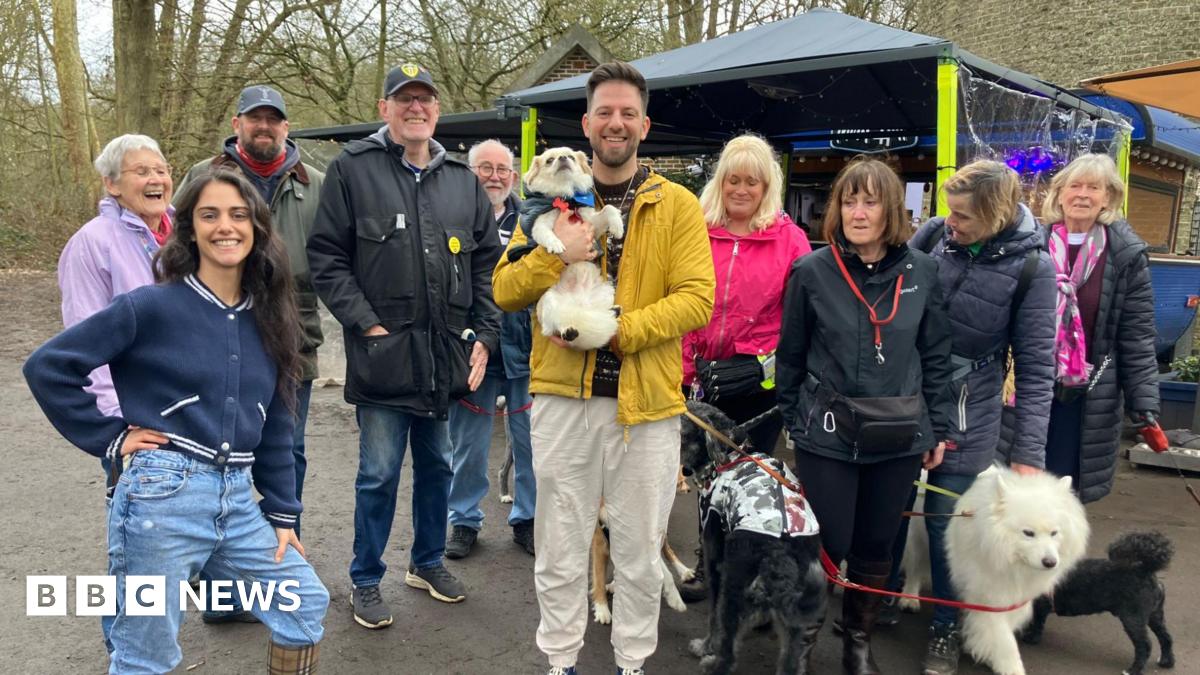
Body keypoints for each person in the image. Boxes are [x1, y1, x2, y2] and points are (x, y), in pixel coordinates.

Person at [23, 170, 329, 674]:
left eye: (238, 214)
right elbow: (49, 366)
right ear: (189, 229)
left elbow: (277, 421)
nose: (225, 226)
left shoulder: (272, 316)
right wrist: (110, 436)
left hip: (238, 502)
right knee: (147, 656)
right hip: (159, 499)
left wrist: (283, 510)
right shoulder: (150, 306)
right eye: (209, 215)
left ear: (256, 226)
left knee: (304, 605)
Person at [492, 61, 715, 675]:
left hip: (644, 405)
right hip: (562, 399)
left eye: (627, 113)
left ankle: (633, 662)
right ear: (587, 124)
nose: (615, 124)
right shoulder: (543, 203)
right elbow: (506, 289)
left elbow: (698, 296)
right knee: (559, 546)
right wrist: (556, 254)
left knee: (641, 551)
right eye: (604, 113)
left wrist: (619, 333)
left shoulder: (677, 205)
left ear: (644, 124)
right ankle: (560, 660)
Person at [307, 63, 502, 629]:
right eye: (404, 99)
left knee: (438, 465)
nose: (415, 108)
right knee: (379, 472)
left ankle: (427, 560)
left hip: (445, 356)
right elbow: (327, 257)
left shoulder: (463, 181)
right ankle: (365, 579)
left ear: (437, 110)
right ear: (384, 107)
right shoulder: (352, 170)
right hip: (384, 355)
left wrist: (486, 335)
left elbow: (487, 266)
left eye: (425, 99)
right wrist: (365, 323)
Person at [776, 157, 955, 675]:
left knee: (878, 545)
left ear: (891, 209)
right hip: (827, 435)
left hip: (898, 436)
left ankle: (857, 641)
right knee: (827, 543)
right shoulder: (812, 271)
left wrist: (937, 427)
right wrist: (796, 418)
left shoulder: (925, 272)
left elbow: (938, 356)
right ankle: (804, 640)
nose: (857, 211)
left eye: (870, 201)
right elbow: (789, 355)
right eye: (849, 200)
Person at [903, 160, 1057, 675]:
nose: (952, 222)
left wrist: (1029, 454)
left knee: (955, 528)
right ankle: (877, 597)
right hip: (906, 397)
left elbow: (1037, 368)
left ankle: (947, 627)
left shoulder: (1034, 269)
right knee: (892, 507)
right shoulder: (931, 236)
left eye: (964, 216)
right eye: (949, 210)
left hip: (973, 409)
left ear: (995, 214)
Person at [178, 85, 325, 537]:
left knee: (287, 449)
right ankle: (219, 562)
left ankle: (282, 553)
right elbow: (176, 247)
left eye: (273, 118)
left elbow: (337, 258)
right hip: (213, 335)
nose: (264, 126)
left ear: (286, 126)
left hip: (292, 338)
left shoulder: (316, 184)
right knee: (213, 449)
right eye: (254, 117)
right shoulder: (202, 176)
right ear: (236, 124)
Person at [678, 133, 810, 603]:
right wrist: (687, 369)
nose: (741, 189)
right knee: (707, 479)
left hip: (758, 383)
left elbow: (799, 321)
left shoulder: (789, 240)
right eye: (733, 179)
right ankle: (708, 564)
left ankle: (750, 571)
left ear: (766, 186)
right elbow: (682, 299)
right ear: (721, 181)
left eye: (751, 182)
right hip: (703, 375)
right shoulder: (694, 227)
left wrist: (762, 365)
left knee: (751, 481)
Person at [1026, 153, 1158, 502]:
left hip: (1086, 391)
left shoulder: (1126, 254)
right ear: (1060, 193)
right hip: (1028, 384)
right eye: (1075, 185)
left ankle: (1060, 556)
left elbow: (1137, 334)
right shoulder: (1028, 244)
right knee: (1022, 481)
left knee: (1065, 486)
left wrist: (1145, 404)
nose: (1083, 194)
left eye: (1094, 187)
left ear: (1108, 197)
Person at [445, 139, 536, 559]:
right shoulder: (452, 218)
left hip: (524, 349)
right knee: (468, 446)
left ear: (514, 177)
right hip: (473, 351)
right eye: (485, 168)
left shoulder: (534, 221)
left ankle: (527, 518)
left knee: (530, 443)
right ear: (469, 172)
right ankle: (463, 521)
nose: (494, 176)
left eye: (502, 169)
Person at [58, 134, 174, 420]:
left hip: (194, 405)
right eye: (142, 172)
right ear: (111, 184)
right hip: (137, 409)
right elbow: (85, 333)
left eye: (161, 170)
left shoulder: (190, 232)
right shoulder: (92, 242)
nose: (155, 179)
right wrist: (116, 416)